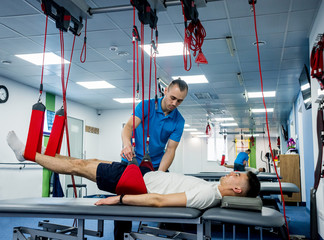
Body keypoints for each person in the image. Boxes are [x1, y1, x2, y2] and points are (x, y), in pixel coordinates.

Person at [7, 131, 260, 211]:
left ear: (236, 189)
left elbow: (160, 200)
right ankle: (38, 154)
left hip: (134, 182)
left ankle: (28, 155)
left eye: (236, 176)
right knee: (85, 162)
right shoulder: (212, 190)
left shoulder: (208, 195)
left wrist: (118, 199)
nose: (231, 173)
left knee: (79, 166)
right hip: (141, 173)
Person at [117, 79, 188, 238]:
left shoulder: (179, 121)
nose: (174, 103)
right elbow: (128, 128)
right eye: (172, 98)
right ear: (165, 91)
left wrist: (160, 173)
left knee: (171, 202)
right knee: (123, 202)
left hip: (156, 164)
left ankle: (173, 234)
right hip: (133, 161)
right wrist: (127, 144)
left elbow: (170, 150)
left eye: (179, 101)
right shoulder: (145, 106)